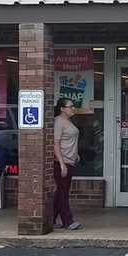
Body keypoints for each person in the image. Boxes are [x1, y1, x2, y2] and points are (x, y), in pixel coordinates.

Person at [52, 97, 81, 230]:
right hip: (62, 162)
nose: (73, 108)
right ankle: (67, 221)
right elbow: (56, 143)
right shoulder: (59, 122)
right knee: (63, 193)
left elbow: (70, 141)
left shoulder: (68, 121)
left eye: (73, 106)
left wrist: (76, 154)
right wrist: (62, 163)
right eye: (70, 106)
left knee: (61, 192)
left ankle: (50, 218)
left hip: (71, 161)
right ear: (62, 109)